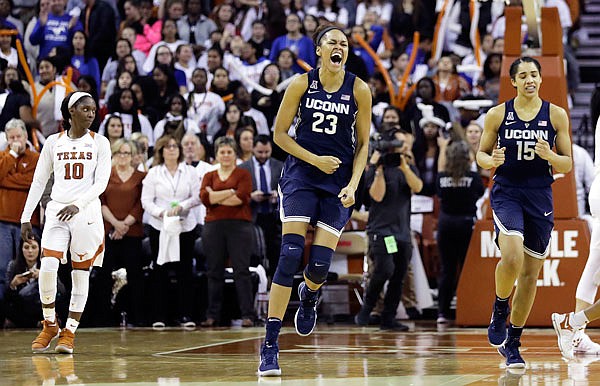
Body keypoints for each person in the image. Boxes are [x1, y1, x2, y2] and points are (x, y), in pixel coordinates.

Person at [258, 25, 371, 377]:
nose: (339, 47)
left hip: (337, 183)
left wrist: (354, 183)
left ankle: (309, 295)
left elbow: (364, 144)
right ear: (319, 51)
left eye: (344, 44)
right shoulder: (301, 84)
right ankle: (270, 345)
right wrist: (314, 160)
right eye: (332, 43)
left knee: (320, 265)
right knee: (290, 253)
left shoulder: (359, 89)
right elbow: (279, 135)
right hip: (301, 177)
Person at [476, 57, 572, 368]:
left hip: (539, 195)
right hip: (508, 192)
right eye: (523, 75)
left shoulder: (556, 115)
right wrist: (490, 161)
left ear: (541, 79)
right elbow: (480, 154)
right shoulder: (498, 114)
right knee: (513, 256)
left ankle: (513, 342)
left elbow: (567, 164)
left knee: (530, 276)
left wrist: (551, 155)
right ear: (513, 81)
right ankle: (500, 307)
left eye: (534, 74)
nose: (529, 79)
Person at [20, 91, 111, 353]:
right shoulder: (52, 142)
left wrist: (79, 204)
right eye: (86, 109)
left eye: (94, 110)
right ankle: (50, 324)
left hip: (86, 213)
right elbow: (39, 181)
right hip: (58, 210)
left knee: (80, 272)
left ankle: (69, 332)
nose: (91, 114)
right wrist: (26, 216)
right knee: (47, 266)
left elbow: (101, 183)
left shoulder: (100, 143)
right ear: (71, 111)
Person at [354, 128, 423, 331]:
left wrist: (404, 167)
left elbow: (417, 187)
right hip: (383, 232)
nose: (403, 147)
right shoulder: (374, 167)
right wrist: (380, 170)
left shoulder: (407, 166)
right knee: (385, 268)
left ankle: (388, 318)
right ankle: (367, 308)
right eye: (399, 143)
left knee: (399, 274)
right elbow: (376, 196)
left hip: (402, 231)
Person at [199, 136, 255, 327]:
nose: (225, 155)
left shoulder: (243, 174)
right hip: (213, 227)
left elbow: (241, 198)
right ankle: (212, 315)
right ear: (216, 155)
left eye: (229, 152)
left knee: (241, 270)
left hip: (239, 227)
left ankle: (247, 314)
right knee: (214, 271)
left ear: (235, 154)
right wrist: (230, 191)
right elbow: (205, 199)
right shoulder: (209, 175)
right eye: (222, 152)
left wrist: (216, 196)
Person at [435, 140, 484, 324]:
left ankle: (442, 312)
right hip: (466, 225)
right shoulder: (473, 177)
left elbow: (438, 194)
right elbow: (479, 193)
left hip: (445, 225)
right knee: (465, 269)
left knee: (446, 270)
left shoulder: (441, 177)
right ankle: (466, 310)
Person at [0, 119, 40, 304]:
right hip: (4, 220)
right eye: (12, 137)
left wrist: (7, 180)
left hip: (29, 221)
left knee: (32, 266)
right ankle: (4, 311)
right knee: (2, 267)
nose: (16, 140)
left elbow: (33, 182)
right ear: (7, 139)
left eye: (19, 136)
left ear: (26, 136)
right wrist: (13, 155)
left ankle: (34, 311)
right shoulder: (3, 156)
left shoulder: (36, 158)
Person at [239, 135, 284, 278]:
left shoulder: (279, 165)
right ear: (253, 149)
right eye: (260, 152)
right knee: (253, 256)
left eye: (267, 152)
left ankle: (273, 288)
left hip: (274, 218)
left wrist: (278, 196)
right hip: (252, 217)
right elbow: (237, 195)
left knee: (276, 253)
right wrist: (251, 196)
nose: (263, 155)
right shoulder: (242, 168)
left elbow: (287, 189)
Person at [4, 236, 67, 328]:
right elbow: (7, 297)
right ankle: (35, 324)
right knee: (6, 307)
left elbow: (62, 291)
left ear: (40, 249)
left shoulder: (47, 264)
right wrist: (13, 285)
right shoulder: (13, 266)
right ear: (21, 250)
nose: (30, 251)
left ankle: (45, 322)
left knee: (61, 305)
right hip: (24, 308)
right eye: (26, 247)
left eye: (33, 247)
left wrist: (45, 277)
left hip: (43, 305)